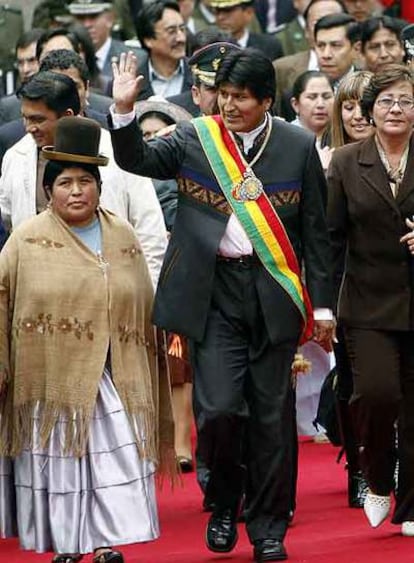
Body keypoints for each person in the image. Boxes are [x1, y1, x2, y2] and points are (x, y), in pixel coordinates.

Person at [109, 48, 334, 562]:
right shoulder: (195, 138)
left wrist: (322, 306)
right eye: (223, 95)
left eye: (241, 98)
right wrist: (124, 113)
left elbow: (316, 234)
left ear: (267, 101)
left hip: (274, 292)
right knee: (219, 410)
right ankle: (226, 501)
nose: (228, 106)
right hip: (213, 294)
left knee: (272, 418)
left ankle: (270, 526)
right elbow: (136, 160)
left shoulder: (297, 146)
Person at [0, 115, 174, 563]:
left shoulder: (122, 235)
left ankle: (103, 543)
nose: (75, 191)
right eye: (65, 183)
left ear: (98, 186)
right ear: (48, 190)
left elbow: (140, 297)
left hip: (114, 369)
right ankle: (66, 544)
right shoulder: (26, 240)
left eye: (84, 181)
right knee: (58, 465)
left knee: (111, 458)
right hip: (49, 377)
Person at [327, 63, 414, 535]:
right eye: (386, 101)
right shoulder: (345, 163)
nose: (395, 109)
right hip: (367, 302)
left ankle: (412, 506)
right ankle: (377, 475)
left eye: (405, 100)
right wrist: (323, 304)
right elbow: (330, 238)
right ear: (369, 111)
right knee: (377, 395)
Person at [0, 69, 167, 290]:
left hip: (109, 291)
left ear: (68, 115)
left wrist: (148, 297)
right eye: (25, 118)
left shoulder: (118, 154)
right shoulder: (15, 157)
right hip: (38, 295)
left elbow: (150, 232)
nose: (29, 128)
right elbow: (10, 222)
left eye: (38, 120)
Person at [329, 70, 373, 508]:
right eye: (348, 105)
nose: (357, 114)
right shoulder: (322, 159)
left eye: (365, 104)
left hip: (393, 281)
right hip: (343, 284)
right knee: (350, 380)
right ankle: (359, 467)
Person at [273, 0, 346, 120]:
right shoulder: (281, 69)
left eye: (333, 22)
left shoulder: (366, 70)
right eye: (318, 22)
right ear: (306, 30)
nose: (326, 27)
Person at [134, 0, 193, 101]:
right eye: (171, 31)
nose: (181, 38)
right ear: (149, 39)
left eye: (182, 29)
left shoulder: (200, 77)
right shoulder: (132, 83)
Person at [209, 0, 284, 60]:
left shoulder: (269, 46)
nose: (220, 17)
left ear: (249, 13)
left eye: (227, 11)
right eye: (217, 12)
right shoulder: (208, 48)